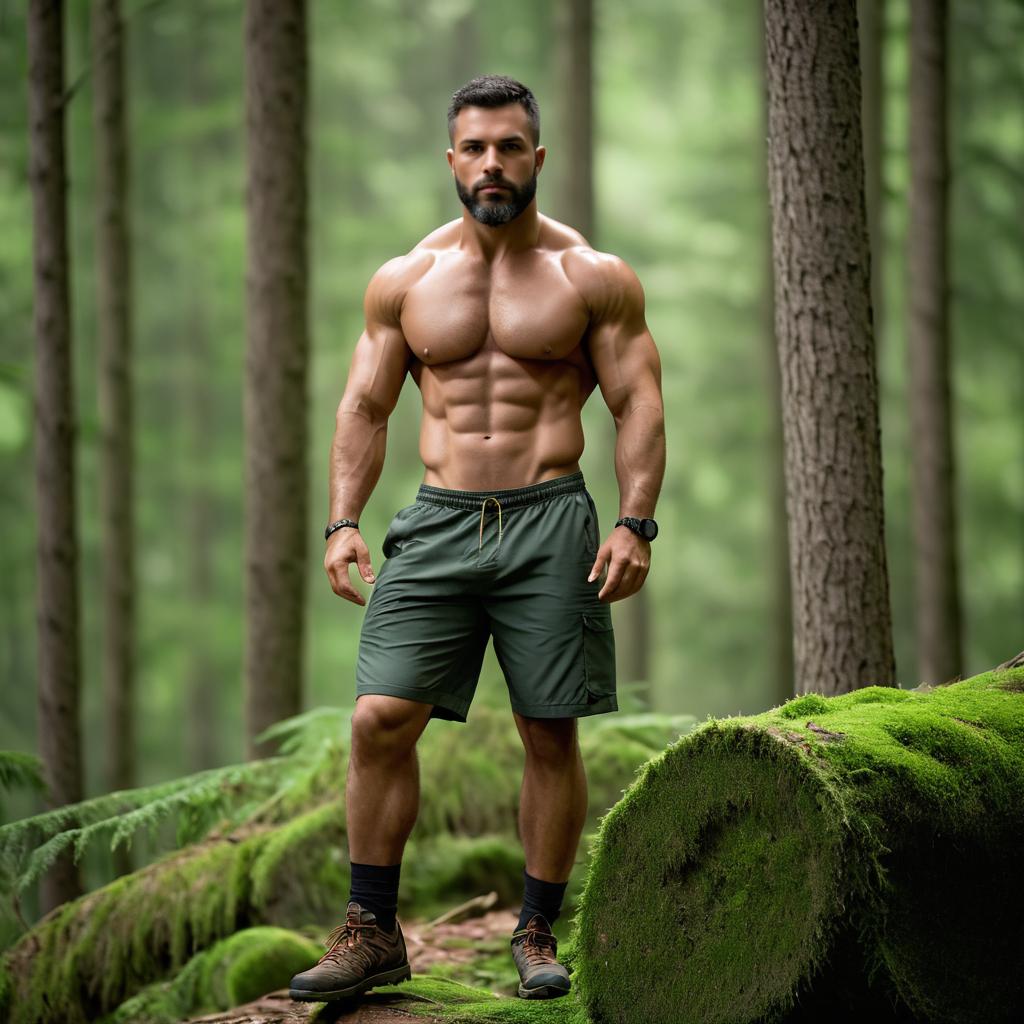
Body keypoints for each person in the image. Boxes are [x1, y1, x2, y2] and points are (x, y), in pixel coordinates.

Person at [289, 74, 665, 1005]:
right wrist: (342, 520)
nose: (491, 163)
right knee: (381, 717)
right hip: (440, 519)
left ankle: (536, 927)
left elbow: (637, 402)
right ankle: (372, 929)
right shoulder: (406, 280)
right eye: (475, 148)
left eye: (509, 146)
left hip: (551, 519)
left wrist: (635, 519)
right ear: (450, 160)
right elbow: (366, 406)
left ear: (538, 156)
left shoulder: (592, 277)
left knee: (549, 727)